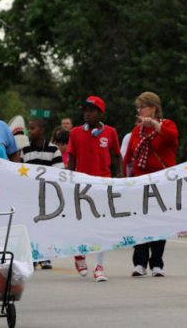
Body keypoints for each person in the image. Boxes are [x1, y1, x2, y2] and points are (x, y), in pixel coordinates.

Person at [123, 91, 178, 278]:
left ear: (153, 108)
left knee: (159, 222)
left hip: (161, 182)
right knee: (140, 222)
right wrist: (127, 180)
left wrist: (155, 125)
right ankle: (139, 263)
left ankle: (157, 263)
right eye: (138, 108)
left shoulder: (167, 125)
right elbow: (129, 157)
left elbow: (172, 139)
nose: (139, 111)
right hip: (140, 181)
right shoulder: (136, 131)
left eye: (142, 107)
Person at [67, 96, 123, 282]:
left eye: (91, 110)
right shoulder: (75, 133)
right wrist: (69, 180)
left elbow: (117, 156)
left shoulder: (110, 132)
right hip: (82, 185)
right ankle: (79, 254)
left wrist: (119, 178)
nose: (87, 114)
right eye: (85, 110)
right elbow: (72, 160)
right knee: (81, 223)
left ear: (100, 112)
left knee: (102, 226)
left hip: (103, 184)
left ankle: (99, 267)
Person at [21, 117, 64, 270]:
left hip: (48, 194)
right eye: (29, 128)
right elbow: (21, 171)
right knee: (31, 225)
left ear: (42, 130)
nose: (29, 131)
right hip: (31, 196)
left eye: (33, 128)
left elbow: (59, 170)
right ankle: (33, 256)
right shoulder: (25, 150)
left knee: (47, 226)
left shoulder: (53, 149)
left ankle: (46, 257)